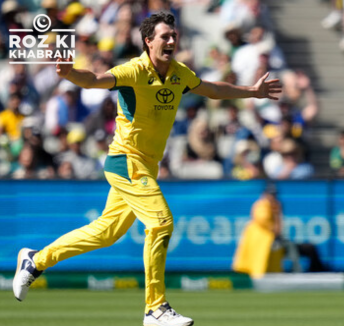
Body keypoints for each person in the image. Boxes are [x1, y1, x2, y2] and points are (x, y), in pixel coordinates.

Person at [12, 11, 281, 326]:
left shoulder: (179, 73)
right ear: (148, 41)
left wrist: (252, 92)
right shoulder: (135, 70)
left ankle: (35, 259)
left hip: (147, 166)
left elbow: (213, 89)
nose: (171, 40)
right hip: (125, 161)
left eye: (173, 35)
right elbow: (96, 80)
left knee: (106, 233)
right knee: (162, 223)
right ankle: (155, 308)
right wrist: (71, 74)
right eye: (164, 36)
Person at [232, 184, 327, 278]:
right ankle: (298, 271)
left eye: (274, 195)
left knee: (298, 248)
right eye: (271, 194)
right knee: (290, 249)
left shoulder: (270, 206)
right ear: (265, 194)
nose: (273, 197)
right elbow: (269, 225)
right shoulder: (262, 205)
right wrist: (277, 214)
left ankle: (304, 270)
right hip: (264, 244)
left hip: (270, 243)